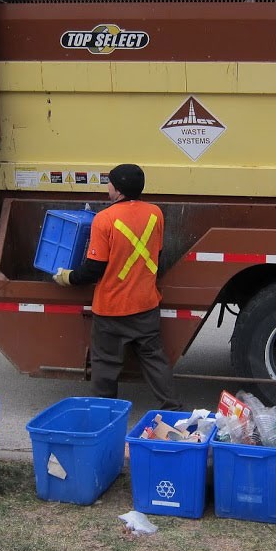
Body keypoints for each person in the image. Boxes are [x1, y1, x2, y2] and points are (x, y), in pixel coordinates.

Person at [52, 164, 183, 410]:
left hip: (111, 309)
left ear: (118, 189)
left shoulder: (105, 219)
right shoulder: (156, 214)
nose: (107, 187)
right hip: (146, 305)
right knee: (155, 361)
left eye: (109, 183)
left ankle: (106, 415)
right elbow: (157, 253)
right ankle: (172, 409)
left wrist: (68, 277)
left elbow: (94, 269)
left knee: (105, 365)